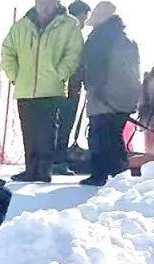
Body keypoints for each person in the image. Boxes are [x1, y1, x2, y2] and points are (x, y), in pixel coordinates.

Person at [1, 0, 84, 182]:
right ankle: (30, 169)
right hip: (25, 88)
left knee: (47, 132)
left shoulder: (69, 24)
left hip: (51, 88)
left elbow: (73, 53)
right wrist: (15, 76)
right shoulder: (21, 26)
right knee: (28, 130)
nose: (44, 5)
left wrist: (60, 74)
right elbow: (8, 51)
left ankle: (44, 170)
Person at [78, 2, 141, 186]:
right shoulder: (126, 39)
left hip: (103, 97)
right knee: (115, 137)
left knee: (98, 137)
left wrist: (92, 88)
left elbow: (94, 69)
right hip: (126, 97)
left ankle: (99, 175)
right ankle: (119, 175)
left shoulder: (99, 38)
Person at [54, 1, 92, 172]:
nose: (85, 21)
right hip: (69, 86)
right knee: (64, 123)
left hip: (62, 86)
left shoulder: (57, 29)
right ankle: (58, 160)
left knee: (59, 124)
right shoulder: (73, 31)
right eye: (85, 17)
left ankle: (56, 159)